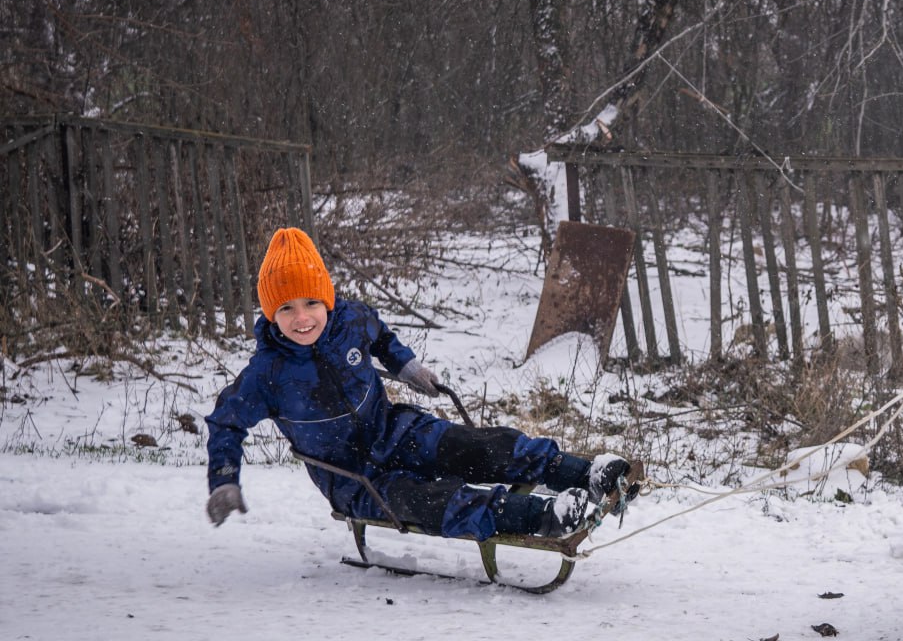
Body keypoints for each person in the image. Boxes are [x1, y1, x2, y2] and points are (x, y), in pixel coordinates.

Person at [205, 227, 634, 541]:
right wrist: (225, 478)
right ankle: (542, 515)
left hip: (394, 430)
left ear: (327, 298)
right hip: (353, 479)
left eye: (312, 302)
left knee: (478, 445)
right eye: (286, 308)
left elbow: (381, 338)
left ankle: (582, 472)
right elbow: (226, 422)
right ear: (270, 312)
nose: (302, 318)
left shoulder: (350, 320)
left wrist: (407, 367)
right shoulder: (267, 372)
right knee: (430, 500)